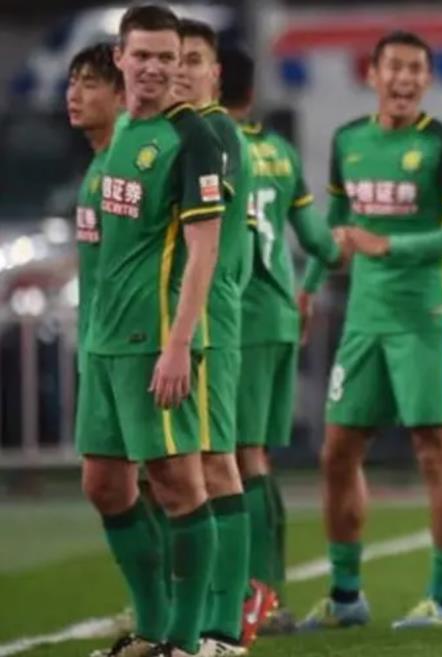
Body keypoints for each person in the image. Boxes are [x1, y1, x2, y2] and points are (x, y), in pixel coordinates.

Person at [298, 29, 442, 631]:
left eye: (415, 69)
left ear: (427, 80)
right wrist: (306, 286)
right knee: (337, 453)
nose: (404, 79)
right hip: (364, 320)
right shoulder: (348, 140)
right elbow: (336, 223)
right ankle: (345, 596)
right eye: (394, 68)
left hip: (424, 319)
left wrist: (388, 245)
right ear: (372, 74)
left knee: (436, 454)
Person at [75, 5, 224, 656]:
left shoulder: (193, 138)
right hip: (104, 343)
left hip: (155, 341)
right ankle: (152, 628)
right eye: (144, 55)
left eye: (169, 56)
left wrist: (179, 344)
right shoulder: (119, 138)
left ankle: (184, 641)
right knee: (104, 484)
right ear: (121, 58)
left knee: (177, 483)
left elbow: (204, 251)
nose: (157, 67)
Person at [216, 46, 352, 634]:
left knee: (232, 457)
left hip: (240, 317)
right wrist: (311, 285)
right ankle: (265, 595)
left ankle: (256, 597)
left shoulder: (216, 149)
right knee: (257, 458)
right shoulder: (279, 151)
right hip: (278, 315)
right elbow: (321, 242)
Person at [169, 19, 264, 654]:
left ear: (214, 73)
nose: (179, 70)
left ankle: (225, 623)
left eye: (193, 60)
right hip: (174, 318)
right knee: (172, 471)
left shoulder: (217, 133)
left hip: (207, 318)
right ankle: (186, 612)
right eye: (172, 59)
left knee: (214, 462)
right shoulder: (174, 132)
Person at [67, 43, 123, 375]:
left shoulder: (125, 166)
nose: (74, 95)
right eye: (72, 83)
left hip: (122, 348)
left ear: (121, 96)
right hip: (94, 341)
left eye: (89, 84)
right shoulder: (97, 164)